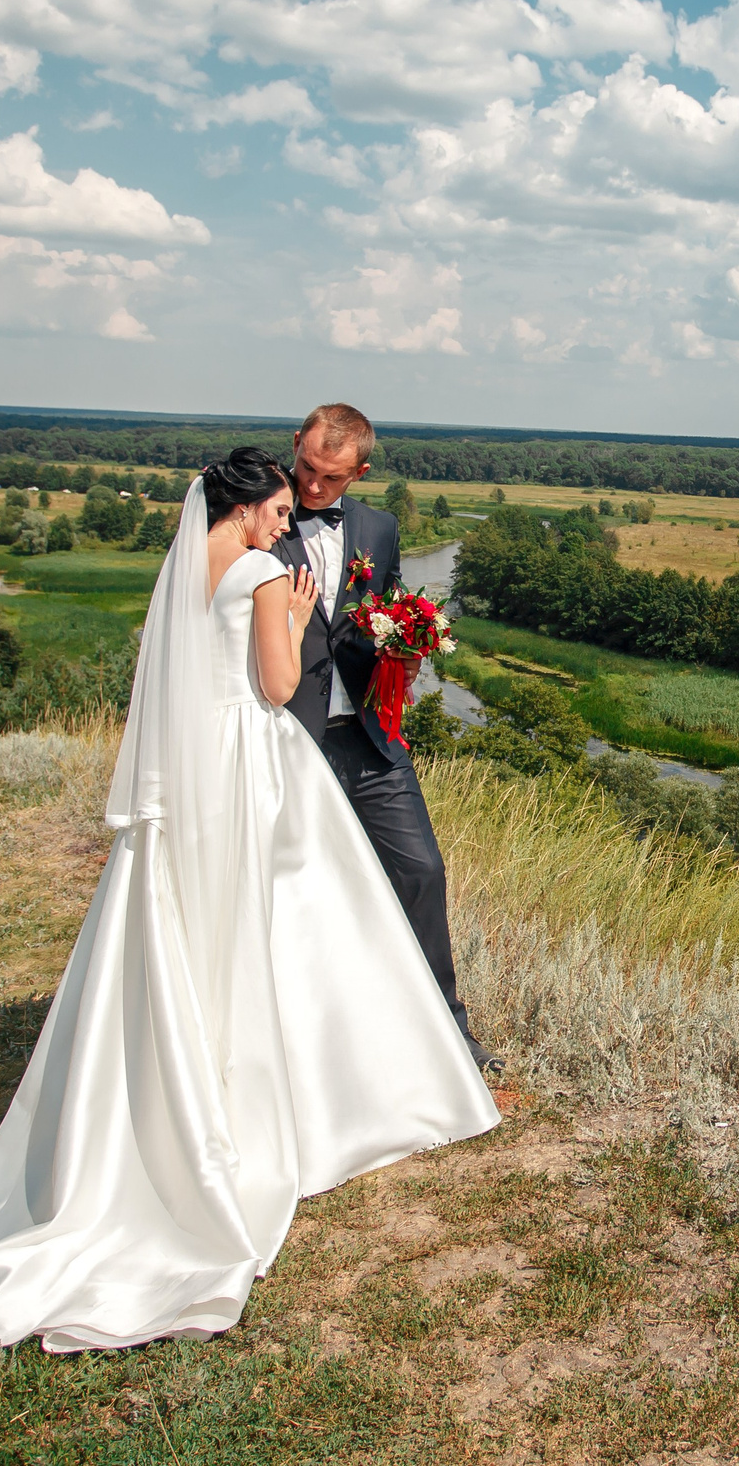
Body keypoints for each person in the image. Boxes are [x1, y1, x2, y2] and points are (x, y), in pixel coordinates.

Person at [0, 446, 499, 1353]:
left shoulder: (185, 567)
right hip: (251, 766)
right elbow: (277, 687)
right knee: (290, 920)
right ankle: (304, 1087)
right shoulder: (258, 571)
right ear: (250, 505)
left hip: (190, 777)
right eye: (281, 507)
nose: (288, 523)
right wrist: (292, 621)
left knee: (201, 921)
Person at [272, 404, 500, 1073]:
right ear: (295, 447)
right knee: (294, 890)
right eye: (308, 468)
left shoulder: (380, 527)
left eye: (332, 477)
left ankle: (446, 1032)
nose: (314, 487)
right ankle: (302, 1043)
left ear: (360, 472)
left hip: (370, 737)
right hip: (287, 739)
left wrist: (408, 645)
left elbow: (387, 611)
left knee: (422, 871)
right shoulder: (255, 511)